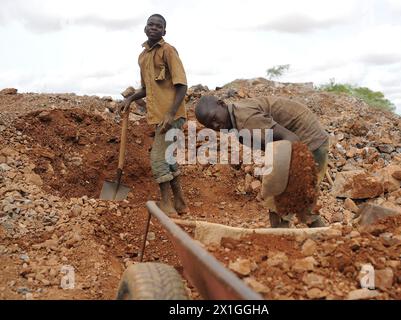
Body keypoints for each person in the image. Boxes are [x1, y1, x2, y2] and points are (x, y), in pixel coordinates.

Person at [195, 95, 329, 228]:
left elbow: (291, 139)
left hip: (309, 142)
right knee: (288, 199)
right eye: (210, 125)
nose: (215, 125)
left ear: (222, 104)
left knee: (286, 198)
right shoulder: (236, 116)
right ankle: (297, 234)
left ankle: (296, 237)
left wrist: (295, 174)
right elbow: (272, 143)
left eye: (214, 118)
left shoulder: (246, 119)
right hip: (301, 140)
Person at [119, 14, 188, 215]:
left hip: (172, 116)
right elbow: (146, 88)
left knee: (157, 158)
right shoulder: (143, 57)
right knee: (167, 158)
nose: (154, 28)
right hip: (159, 116)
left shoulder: (168, 51)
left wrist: (171, 113)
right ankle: (181, 203)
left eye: (159, 26)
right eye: (151, 24)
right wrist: (130, 99)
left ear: (164, 32)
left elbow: (182, 85)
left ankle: (167, 205)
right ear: (145, 28)